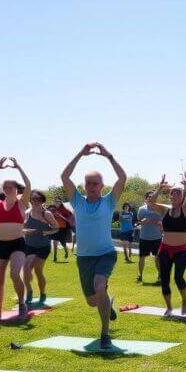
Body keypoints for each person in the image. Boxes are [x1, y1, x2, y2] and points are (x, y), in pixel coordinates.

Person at [62, 142, 126, 350]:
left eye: (95, 184)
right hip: (84, 257)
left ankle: (105, 334)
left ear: (102, 186)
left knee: (100, 285)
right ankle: (108, 305)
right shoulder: (77, 202)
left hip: (106, 253)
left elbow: (122, 178)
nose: (91, 187)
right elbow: (64, 177)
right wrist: (81, 153)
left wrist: (108, 155)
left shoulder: (109, 202)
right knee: (93, 301)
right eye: (88, 184)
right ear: (83, 187)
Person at [0, 158, 32, 321]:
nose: (8, 189)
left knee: (15, 274)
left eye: (11, 187)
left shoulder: (23, 202)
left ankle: (22, 305)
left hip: (17, 244)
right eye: (5, 187)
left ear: (17, 189)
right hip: (0, 245)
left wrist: (19, 167)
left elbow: (28, 184)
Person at [147, 174, 186, 315]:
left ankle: (184, 300)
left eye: (177, 194)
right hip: (165, 249)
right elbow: (151, 203)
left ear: (181, 197)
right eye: (172, 194)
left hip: (181, 250)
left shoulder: (185, 209)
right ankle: (168, 307)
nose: (174, 196)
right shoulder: (165, 209)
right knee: (165, 279)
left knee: (178, 277)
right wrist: (160, 188)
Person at [23, 191, 59, 305]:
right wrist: (25, 231)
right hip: (29, 245)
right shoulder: (27, 212)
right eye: (33, 199)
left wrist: (47, 232)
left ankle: (42, 293)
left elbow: (56, 227)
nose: (35, 201)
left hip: (43, 246)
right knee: (26, 268)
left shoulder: (46, 214)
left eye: (38, 199)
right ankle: (29, 291)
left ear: (42, 200)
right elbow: (21, 228)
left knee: (38, 271)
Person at [135, 191, 164, 283]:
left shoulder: (160, 209)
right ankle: (140, 276)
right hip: (144, 237)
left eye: (153, 197)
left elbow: (163, 224)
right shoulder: (141, 209)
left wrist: (155, 221)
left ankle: (160, 276)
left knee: (158, 257)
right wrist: (142, 222)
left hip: (157, 237)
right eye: (149, 197)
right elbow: (138, 222)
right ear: (146, 198)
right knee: (141, 258)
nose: (151, 198)